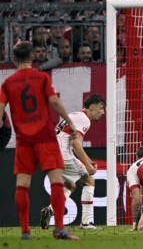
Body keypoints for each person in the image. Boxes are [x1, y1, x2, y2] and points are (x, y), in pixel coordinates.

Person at [0, 41, 78, 240]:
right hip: (45, 136)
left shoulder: (7, 84)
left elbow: (0, 112)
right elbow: (53, 101)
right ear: (32, 57)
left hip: (24, 140)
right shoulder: (42, 77)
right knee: (56, 181)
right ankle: (59, 228)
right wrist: (69, 122)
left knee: (22, 184)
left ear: (15, 59)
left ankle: (25, 231)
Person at [39, 93, 106, 230]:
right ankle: (86, 223)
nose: (103, 112)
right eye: (101, 108)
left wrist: (88, 160)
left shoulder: (76, 115)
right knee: (89, 180)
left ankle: (50, 210)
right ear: (92, 107)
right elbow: (76, 143)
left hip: (49, 152)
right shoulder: (84, 119)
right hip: (62, 153)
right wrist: (88, 166)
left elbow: (75, 143)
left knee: (71, 185)